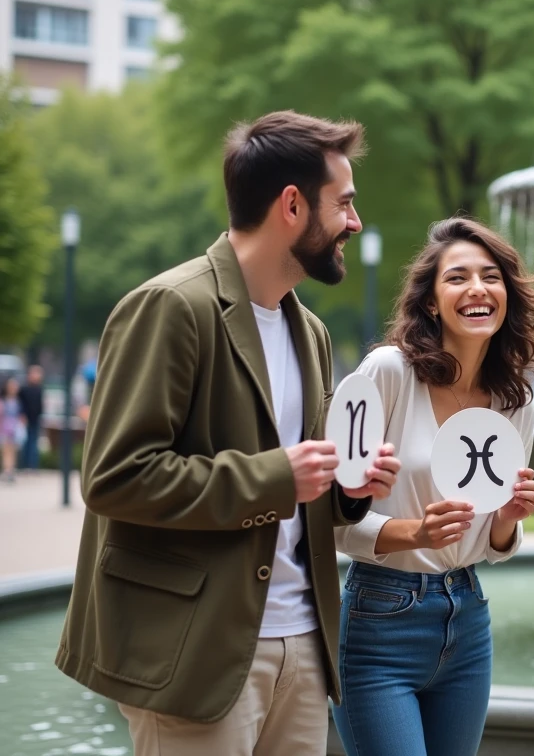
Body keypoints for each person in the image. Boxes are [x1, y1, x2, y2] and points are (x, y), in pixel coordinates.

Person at [55, 110, 401, 756]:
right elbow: (113, 475)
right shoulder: (172, 307)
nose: (354, 222)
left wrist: (350, 487)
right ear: (292, 206)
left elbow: (303, 493)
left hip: (303, 651)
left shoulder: (314, 335)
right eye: (344, 204)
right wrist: (277, 477)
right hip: (197, 656)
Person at [332, 217, 534, 756]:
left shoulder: (514, 401)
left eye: (491, 276)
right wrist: (414, 533)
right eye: (457, 277)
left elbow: (493, 546)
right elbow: (327, 517)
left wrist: (505, 522)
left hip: (467, 615)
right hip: (380, 618)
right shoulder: (387, 373)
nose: (477, 288)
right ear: (431, 302)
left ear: (507, 295)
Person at [17, 364, 44, 470]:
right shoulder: (24, 389)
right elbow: (21, 405)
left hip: (35, 419)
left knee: (33, 443)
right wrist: (22, 415)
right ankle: (24, 465)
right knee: (25, 443)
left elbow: (40, 405)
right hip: (25, 419)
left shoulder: (39, 389)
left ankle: (32, 466)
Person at [0, 377, 22, 482]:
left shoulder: (18, 400)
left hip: (14, 428)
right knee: (6, 450)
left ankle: (10, 470)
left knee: (13, 451)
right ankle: (7, 470)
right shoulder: (3, 400)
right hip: (4, 427)